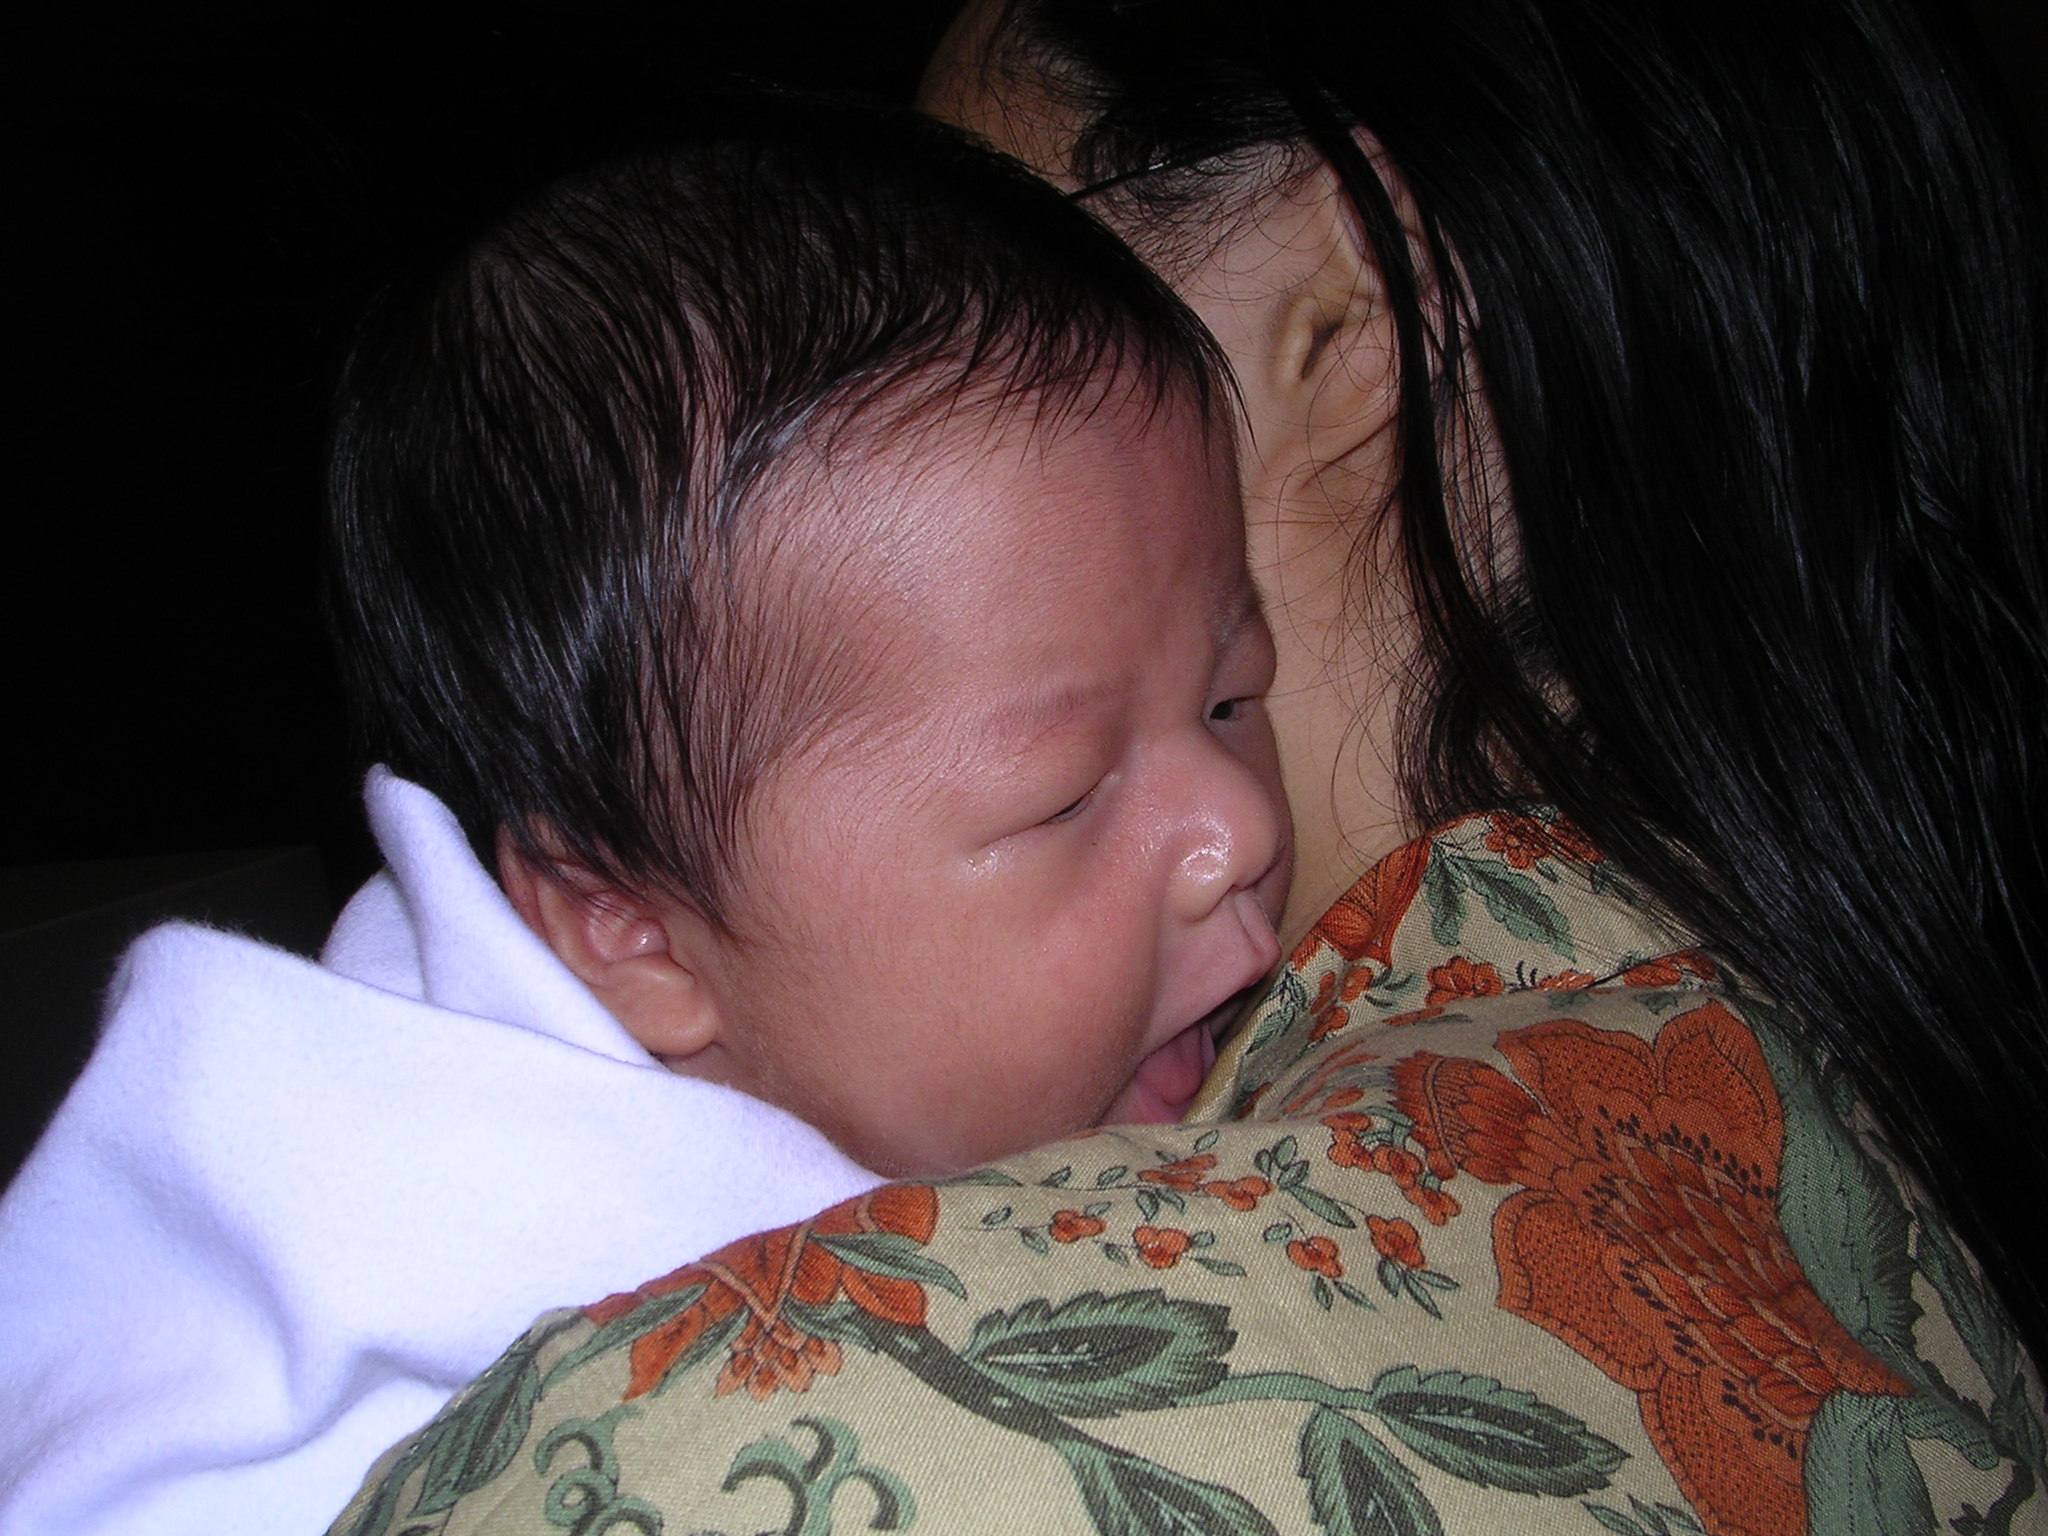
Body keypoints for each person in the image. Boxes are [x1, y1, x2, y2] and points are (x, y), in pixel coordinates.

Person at [329, 1, 2048, 1533]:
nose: (1230, 822)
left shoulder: (749, 1449)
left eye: (995, 235)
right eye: (1065, 793)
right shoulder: (1867, 1141)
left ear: (1357, 322)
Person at [0, 107, 1290, 1535]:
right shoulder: (369, 1260)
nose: (1236, 824)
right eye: (1063, 798)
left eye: (1232, 695)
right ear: (637, 933)